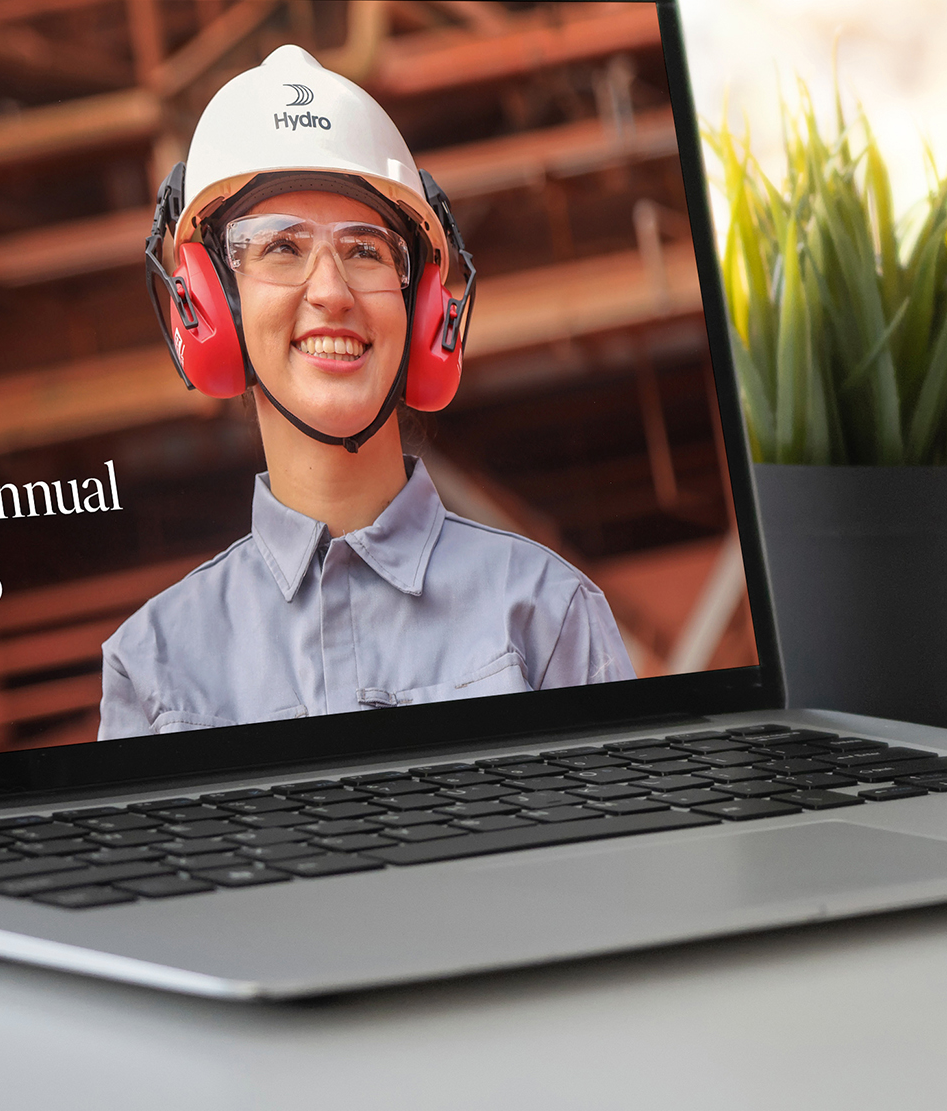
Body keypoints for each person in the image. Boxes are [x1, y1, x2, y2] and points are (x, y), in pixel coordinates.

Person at [100, 44, 634, 737]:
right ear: (208, 306)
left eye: (365, 251)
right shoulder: (152, 669)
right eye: (280, 248)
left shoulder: (548, 614)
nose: (331, 292)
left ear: (424, 313)